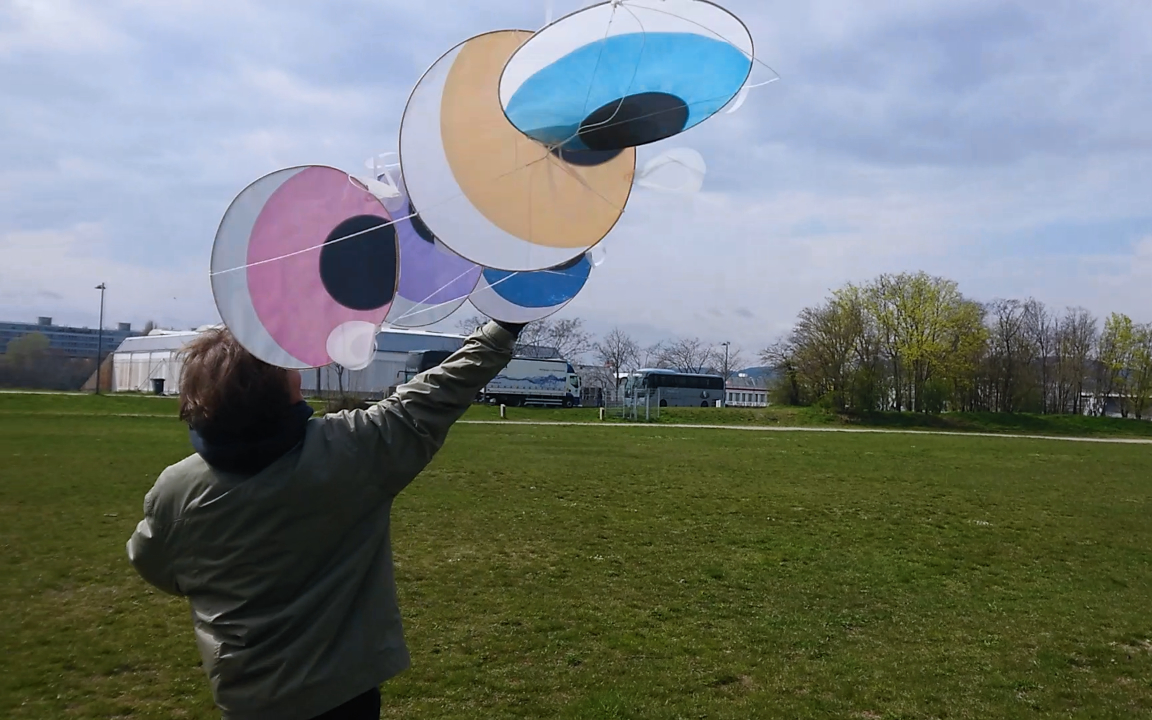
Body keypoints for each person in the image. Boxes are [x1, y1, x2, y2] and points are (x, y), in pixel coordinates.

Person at [126, 319, 521, 720]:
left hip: (247, 697)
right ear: (278, 390)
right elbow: (436, 395)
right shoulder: (351, 450)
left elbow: (154, 564)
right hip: (344, 693)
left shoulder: (174, 490)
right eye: (286, 366)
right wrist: (504, 325)